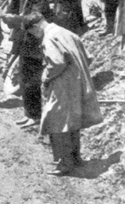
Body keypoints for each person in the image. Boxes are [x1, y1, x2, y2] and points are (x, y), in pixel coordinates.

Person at [23, 12, 103, 176]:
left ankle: (64, 164)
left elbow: (57, 63)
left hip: (61, 86)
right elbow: (88, 57)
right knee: (72, 121)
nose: (35, 36)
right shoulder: (67, 33)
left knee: (57, 123)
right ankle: (76, 158)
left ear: (36, 26)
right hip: (77, 84)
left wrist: (45, 77)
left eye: (32, 32)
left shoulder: (49, 37)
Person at [0, 0, 52, 129]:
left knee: (32, 82)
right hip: (26, 43)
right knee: (24, 79)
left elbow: (35, 18)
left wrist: (14, 20)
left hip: (35, 44)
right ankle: (29, 114)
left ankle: (35, 115)